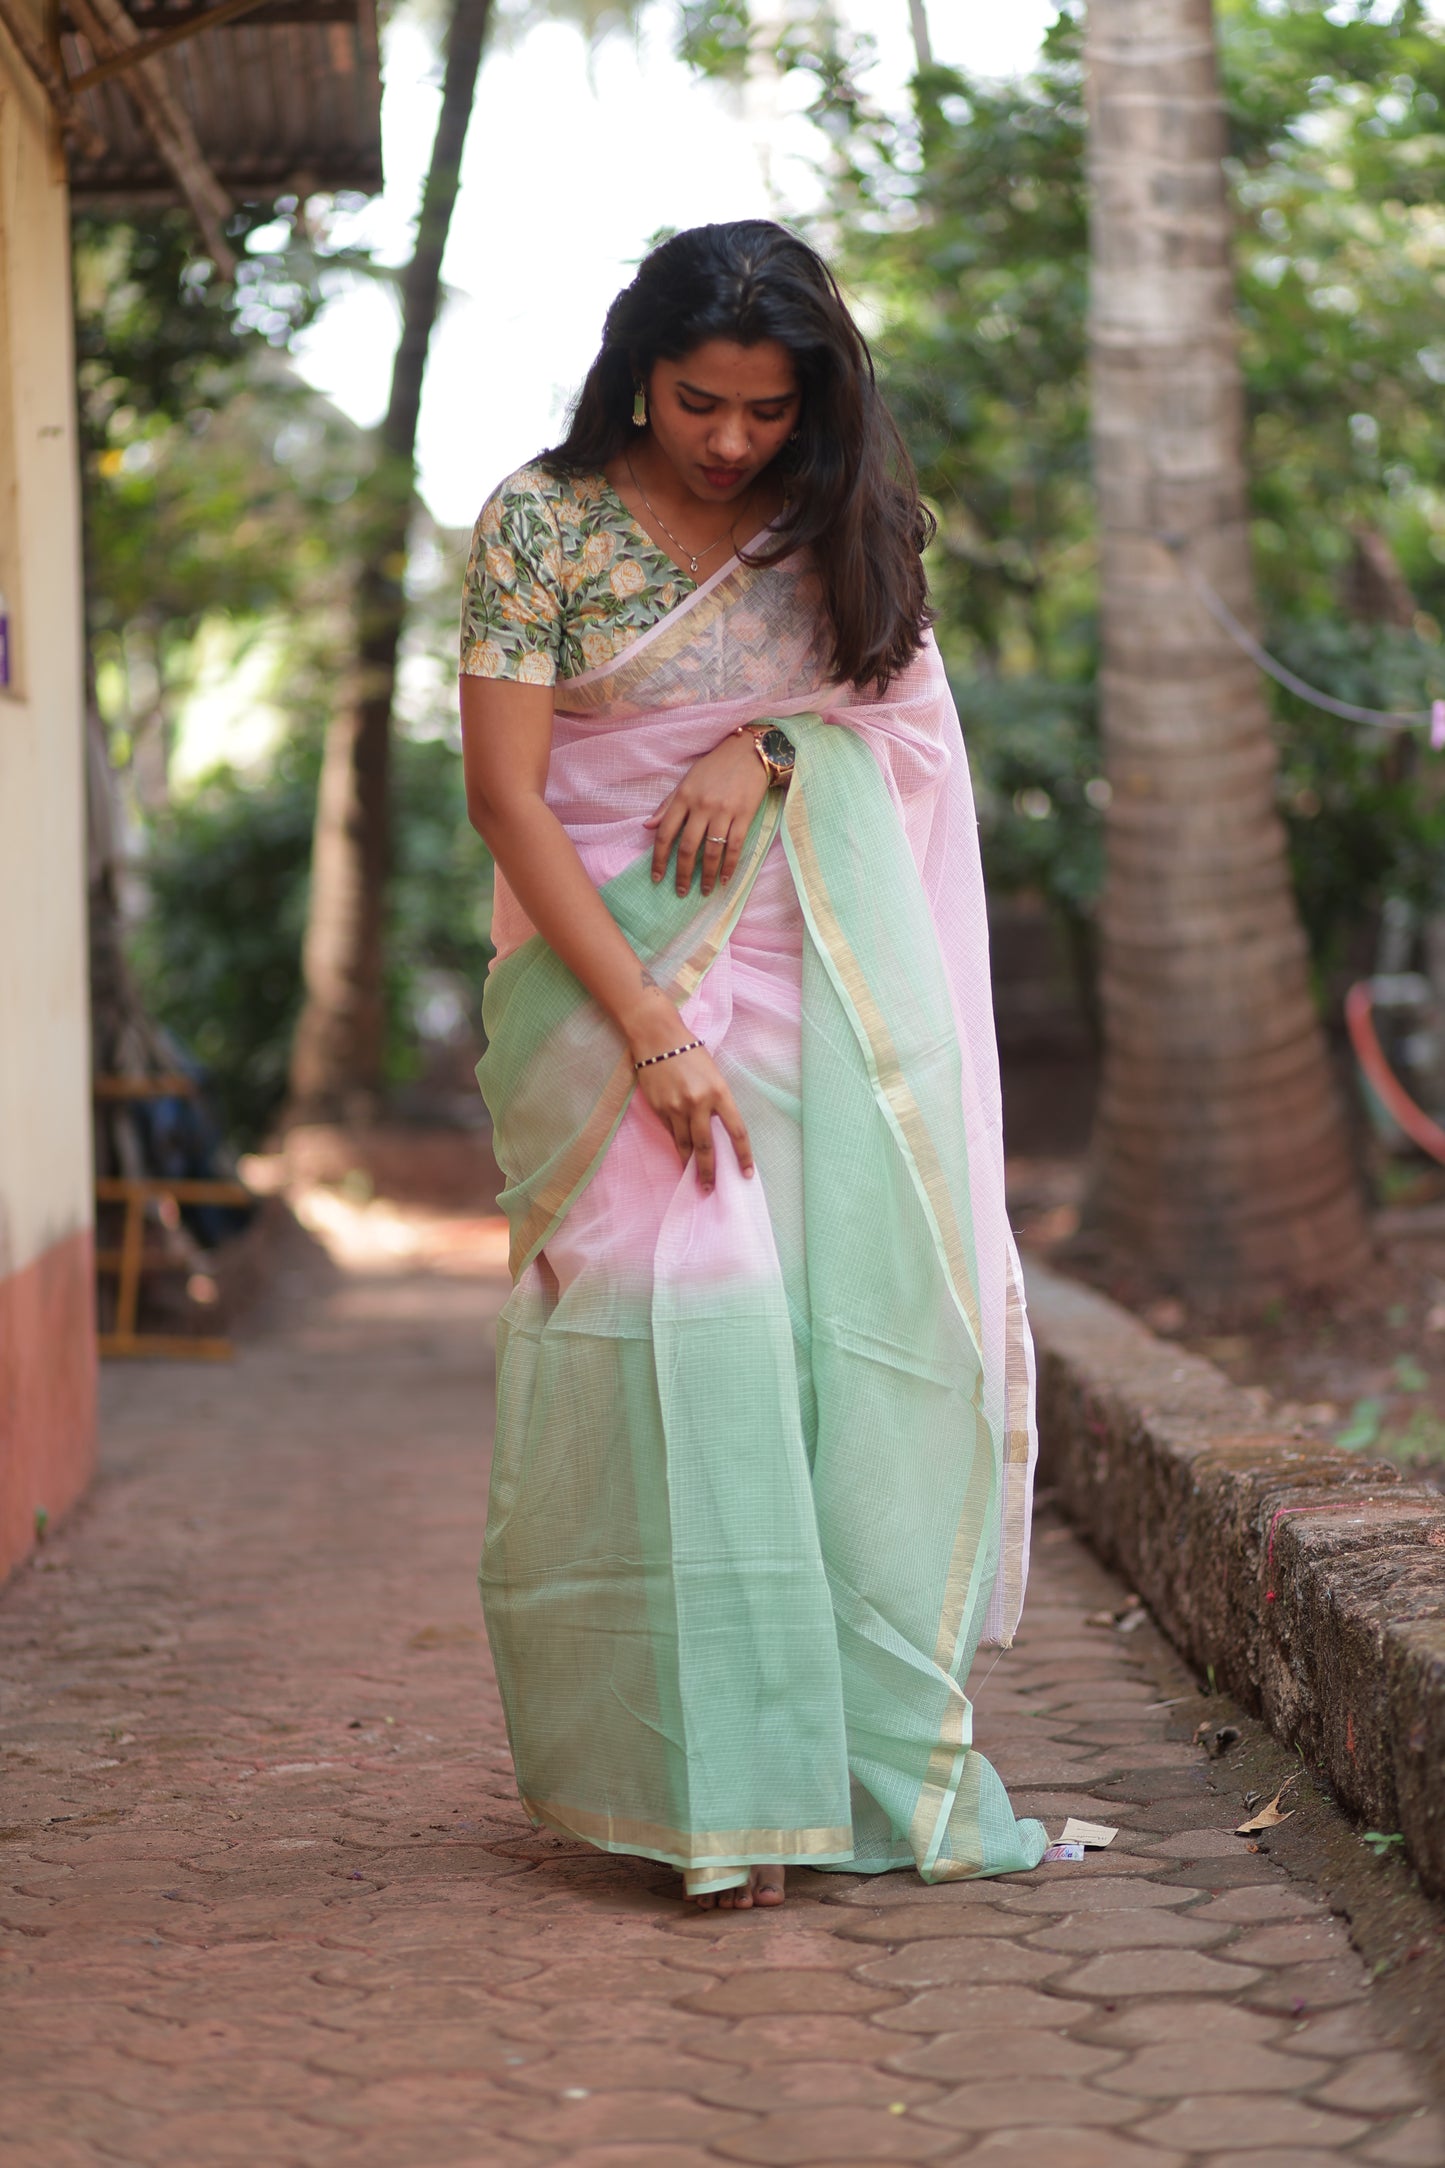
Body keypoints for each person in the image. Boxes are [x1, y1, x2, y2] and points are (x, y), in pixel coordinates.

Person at [459, 220, 1046, 1910]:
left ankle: (821, 1767)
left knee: (823, 1353)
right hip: (602, 981)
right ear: (638, 369)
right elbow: (508, 798)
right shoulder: (542, 523)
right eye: (700, 400)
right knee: (672, 1337)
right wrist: (650, 1023)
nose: (729, 440)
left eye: (767, 410)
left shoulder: (836, 524)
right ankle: (714, 1780)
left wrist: (765, 737)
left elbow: (901, 737)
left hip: (828, 979)